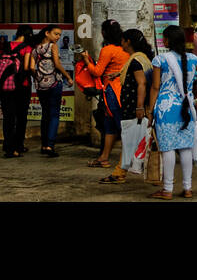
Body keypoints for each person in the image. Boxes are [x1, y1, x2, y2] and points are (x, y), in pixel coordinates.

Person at [148, 25, 197, 200]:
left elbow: (155, 87)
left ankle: (167, 190)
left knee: (168, 148)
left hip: (165, 110)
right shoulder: (193, 59)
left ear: (168, 41)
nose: (163, 40)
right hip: (188, 108)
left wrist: (149, 110)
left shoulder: (160, 60)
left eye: (164, 37)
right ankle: (188, 188)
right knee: (186, 147)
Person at [100, 28, 154, 185]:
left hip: (134, 107)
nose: (121, 44)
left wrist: (138, 107)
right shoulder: (140, 59)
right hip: (136, 106)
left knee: (130, 140)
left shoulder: (136, 61)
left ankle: (120, 173)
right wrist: (118, 74)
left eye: (122, 41)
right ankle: (122, 171)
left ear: (128, 42)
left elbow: (142, 83)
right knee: (133, 140)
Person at [79, 19, 130, 169]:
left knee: (119, 126)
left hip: (112, 92)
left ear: (103, 33)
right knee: (110, 126)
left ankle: (126, 161)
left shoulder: (107, 50)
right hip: (123, 90)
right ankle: (104, 158)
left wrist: (86, 60)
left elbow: (97, 72)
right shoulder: (125, 49)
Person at [34, 25, 73, 158]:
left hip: (40, 85)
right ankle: (50, 145)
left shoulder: (37, 47)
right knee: (54, 114)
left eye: (60, 35)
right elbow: (57, 64)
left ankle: (44, 144)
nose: (58, 37)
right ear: (47, 33)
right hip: (54, 83)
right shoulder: (53, 47)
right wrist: (68, 77)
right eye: (56, 34)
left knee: (45, 114)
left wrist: (39, 77)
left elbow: (31, 66)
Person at [0, 26, 34, 158]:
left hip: (5, 86)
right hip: (21, 86)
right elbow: (26, 67)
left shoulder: (5, 46)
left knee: (8, 117)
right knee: (21, 117)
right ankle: (18, 147)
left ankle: (8, 147)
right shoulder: (27, 48)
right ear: (28, 35)